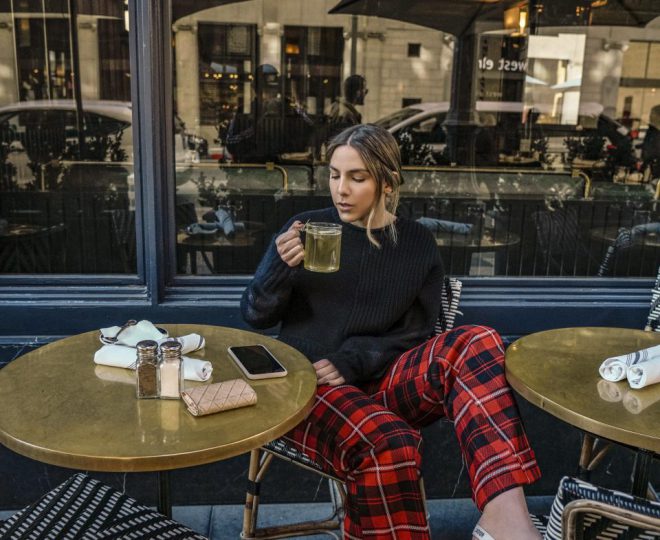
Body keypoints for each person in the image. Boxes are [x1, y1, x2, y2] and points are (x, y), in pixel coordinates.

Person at [241, 124, 541, 540]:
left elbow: (417, 335)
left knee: (479, 340)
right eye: (334, 175)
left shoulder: (416, 243)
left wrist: (353, 360)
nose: (340, 189)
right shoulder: (306, 228)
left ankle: (506, 521)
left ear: (387, 182)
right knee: (390, 442)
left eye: (356, 177)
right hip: (310, 386)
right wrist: (278, 266)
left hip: (382, 380)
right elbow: (255, 316)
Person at [326, 74, 368, 139]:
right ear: (358, 92)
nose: (366, 93)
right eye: (365, 90)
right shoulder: (346, 115)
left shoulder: (337, 107)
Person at [642, 104, 660, 179]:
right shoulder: (651, 131)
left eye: (653, 114)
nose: (650, 116)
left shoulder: (653, 132)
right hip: (650, 169)